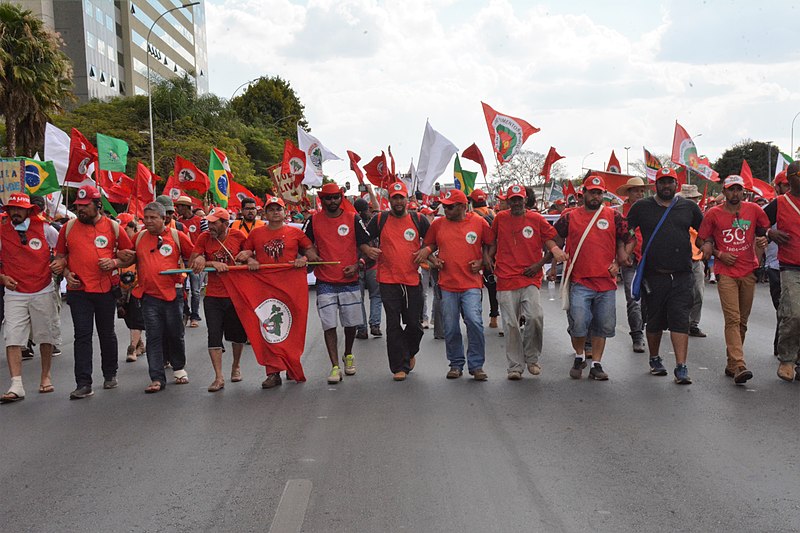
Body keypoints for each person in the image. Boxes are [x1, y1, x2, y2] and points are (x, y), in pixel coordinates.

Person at [51, 185, 133, 399]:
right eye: (78, 206)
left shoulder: (114, 228)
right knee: (82, 336)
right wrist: (65, 271)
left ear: (97, 205)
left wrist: (114, 262)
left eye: (85, 206)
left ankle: (110, 374)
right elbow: (60, 256)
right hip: (78, 291)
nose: (80, 210)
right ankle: (83, 383)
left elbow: (131, 256)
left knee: (107, 333)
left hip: (106, 289)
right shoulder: (67, 228)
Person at [626, 167, 704, 385]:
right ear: (655, 185)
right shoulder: (641, 207)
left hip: (682, 274)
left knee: (680, 319)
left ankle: (681, 367)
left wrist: (706, 245)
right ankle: (654, 359)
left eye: (670, 182)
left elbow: (705, 230)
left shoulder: (689, 207)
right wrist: (627, 248)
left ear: (676, 185)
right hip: (654, 275)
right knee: (655, 320)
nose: (666, 186)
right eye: (662, 182)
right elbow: (626, 228)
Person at [236, 196, 319, 388]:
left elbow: (312, 252)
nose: (275, 212)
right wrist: (250, 260)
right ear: (265, 213)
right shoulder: (256, 234)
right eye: (271, 209)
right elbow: (245, 252)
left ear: (284, 212)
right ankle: (273, 372)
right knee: (268, 328)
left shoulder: (295, 233)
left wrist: (304, 259)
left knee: (293, 326)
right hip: (265, 288)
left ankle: (291, 364)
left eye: (278, 209)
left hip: (291, 288)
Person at [554, 176, 630, 381]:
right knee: (579, 322)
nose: (596, 196)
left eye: (599, 192)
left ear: (603, 194)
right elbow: (554, 238)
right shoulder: (570, 217)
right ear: (584, 193)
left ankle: (596, 363)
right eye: (592, 192)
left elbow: (629, 238)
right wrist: (555, 253)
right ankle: (579, 355)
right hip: (580, 281)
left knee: (602, 324)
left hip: (606, 282)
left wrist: (620, 260)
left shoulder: (614, 216)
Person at [697, 175, 770, 384]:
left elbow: (765, 230)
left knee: (743, 321)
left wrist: (765, 238)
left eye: (738, 189)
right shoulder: (713, 213)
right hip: (725, 271)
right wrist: (718, 254)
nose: (735, 193)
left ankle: (731, 364)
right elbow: (702, 238)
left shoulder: (754, 210)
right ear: (724, 191)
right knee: (733, 318)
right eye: (731, 189)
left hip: (748, 270)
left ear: (743, 191)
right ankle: (739, 364)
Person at [488, 185, 566, 380]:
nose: (515, 203)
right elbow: (493, 241)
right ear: (507, 201)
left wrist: (541, 263)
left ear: (525, 200)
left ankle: (531, 357)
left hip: (530, 277)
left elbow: (554, 240)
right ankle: (515, 366)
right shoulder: (500, 218)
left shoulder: (536, 219)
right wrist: (487, 258)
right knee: (511, 324)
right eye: (512, 199)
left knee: (535, 317)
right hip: (505, 278)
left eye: (518, 199)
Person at [417, 189, 493, 380]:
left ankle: (476, 366)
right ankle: (456, 364)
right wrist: (434, 261)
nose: (446, 210)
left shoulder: (478, 222)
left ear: (462, 206)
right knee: (451, 327)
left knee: (474, 322)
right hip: (447, 285)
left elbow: (491, 243)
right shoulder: (438, 224)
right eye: (445, 206)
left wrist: (484, 261)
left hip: (471, 284)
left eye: (450, 207)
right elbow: (428, 246)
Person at [361, 182, 431, 381]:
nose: (398, 202)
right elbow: (362, 237)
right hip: (387, 280)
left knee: (414, 324)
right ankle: (398, 367)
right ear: (389, 200)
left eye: (402, 197)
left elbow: (434, 238)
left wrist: (426, 250)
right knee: (393, 325)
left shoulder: (419, 219)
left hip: (411, 280)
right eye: (395, 198)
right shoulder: (380, 219)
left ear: (407, 199)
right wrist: (367, 250)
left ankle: (409, 352)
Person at [303, 183, 370, 384]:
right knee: (329, 325)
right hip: (325, 282)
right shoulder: (313, 220)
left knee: (350, 325)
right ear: (321, 200)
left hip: (349, 282)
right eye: (327, 198)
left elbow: (366, 247)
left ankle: (348, 354)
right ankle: (334, 366)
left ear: (342, 198)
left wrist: (358, 265)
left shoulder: (353, 218)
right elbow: (303, 243)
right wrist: (310, 253)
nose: (332, 201)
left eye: (335, 197)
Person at [125, 202, 194, 393]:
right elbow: (129, 257)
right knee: (153, 336)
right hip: (148, 296)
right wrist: (117, 259)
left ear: (164, 219)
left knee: (175, 333)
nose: (148, 221)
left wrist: (194, 266)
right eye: (145, 218)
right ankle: (156, 378)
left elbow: (193, 255)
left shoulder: (176, 236)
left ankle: (178, 368)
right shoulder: (139, 237)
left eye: (153, 218)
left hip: (173, 294)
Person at [0, 194, 61, 403]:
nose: (15, 212)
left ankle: (45, 377)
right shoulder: (1, 230)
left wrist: (59, 263)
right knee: (12, 336)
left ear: (29, 210)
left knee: (45, 336)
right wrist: (2, 277)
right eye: (12, 209)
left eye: (19, 208)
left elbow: (63, 250)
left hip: (42, 290)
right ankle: (16, 384)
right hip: (14, 292)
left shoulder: (45, 229)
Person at [189, 207, 248, 392]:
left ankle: (236, 366)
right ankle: (218, 376)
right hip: (213, 295)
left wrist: (246, 258)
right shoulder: (203, 238)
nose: (210, 226)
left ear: (225, 223)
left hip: (235, 294)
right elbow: (192, 261)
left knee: (237, 335)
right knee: (213, 335)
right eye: (209, 222)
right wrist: (208, 262)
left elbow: (250, 255)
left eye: (215, 222)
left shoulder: (238, 236)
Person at [764, 160, 800, 382]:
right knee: (794, 313)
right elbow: (757, 223)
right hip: (791, 267)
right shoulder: (780, 203)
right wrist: (770, 233)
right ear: (791, 178)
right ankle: (787, 358)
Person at [616, 177, 651, 353]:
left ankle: (642, 324)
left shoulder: (651, 209)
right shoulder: (619, 212)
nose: (640, 193)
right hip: (630, 260)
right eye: (636, 190)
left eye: (642, 190)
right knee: (633, 299)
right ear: (628, 192)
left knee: (648, 299)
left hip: (649, 259)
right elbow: (617, 236)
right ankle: (637, 335)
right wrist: (622, 254)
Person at [676, 184, 709, 338]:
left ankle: (693, 324)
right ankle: (679, 323)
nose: (691, 202)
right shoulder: (675, 216)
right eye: (688, 199)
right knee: (679, 294)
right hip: (678, 260)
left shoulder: (700, 217)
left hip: (696, 260)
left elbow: (707, 236)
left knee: (698, 293)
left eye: (693, 199)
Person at [764, 170, 790, 357]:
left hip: (794, 265)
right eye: (787, 185)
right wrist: (768, 233)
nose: (792, 188)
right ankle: (785, 350)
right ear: (778, 187)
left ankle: (782, 346)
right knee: (785, 310)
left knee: (790, 311)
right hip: (776, 266)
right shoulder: (775, 205)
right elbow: (756, 224)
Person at [116, 214, 145, 363]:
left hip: (138, 285)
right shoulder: (117, 245)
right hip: (121, 286)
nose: (123, 232)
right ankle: (139, 344)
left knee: (135, 318)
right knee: (127, 317)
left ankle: (132, 348)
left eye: (125, 228)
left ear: (133, 228)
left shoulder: (142, 241)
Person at [469, 189, 499, 329]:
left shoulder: (473, 216)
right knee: (493, 287)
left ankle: (475, 317)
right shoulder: (494, 213)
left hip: (479, 254)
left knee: (476, 288)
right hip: (495, 255)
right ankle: (494, 317)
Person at [353, 196, 382, 339]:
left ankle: (362, 329)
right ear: (367, 209)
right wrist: (370, 191)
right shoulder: (374, 220)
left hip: (357, 265)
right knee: (376, 296)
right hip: (373, 265)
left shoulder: (352, 222)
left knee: (358, 298)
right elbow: (377, 208)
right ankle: (375, 325)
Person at [175, 196, 204, 328]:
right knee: (181, 289)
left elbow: (206, 238)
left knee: (196, 290)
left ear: (186, 207)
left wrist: (202, 257)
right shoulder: (178, 223)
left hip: (197, 260)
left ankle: (195, 316)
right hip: (182, 260)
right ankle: (185, 312)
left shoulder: (200, 221)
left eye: (180, 206)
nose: (177, 208)